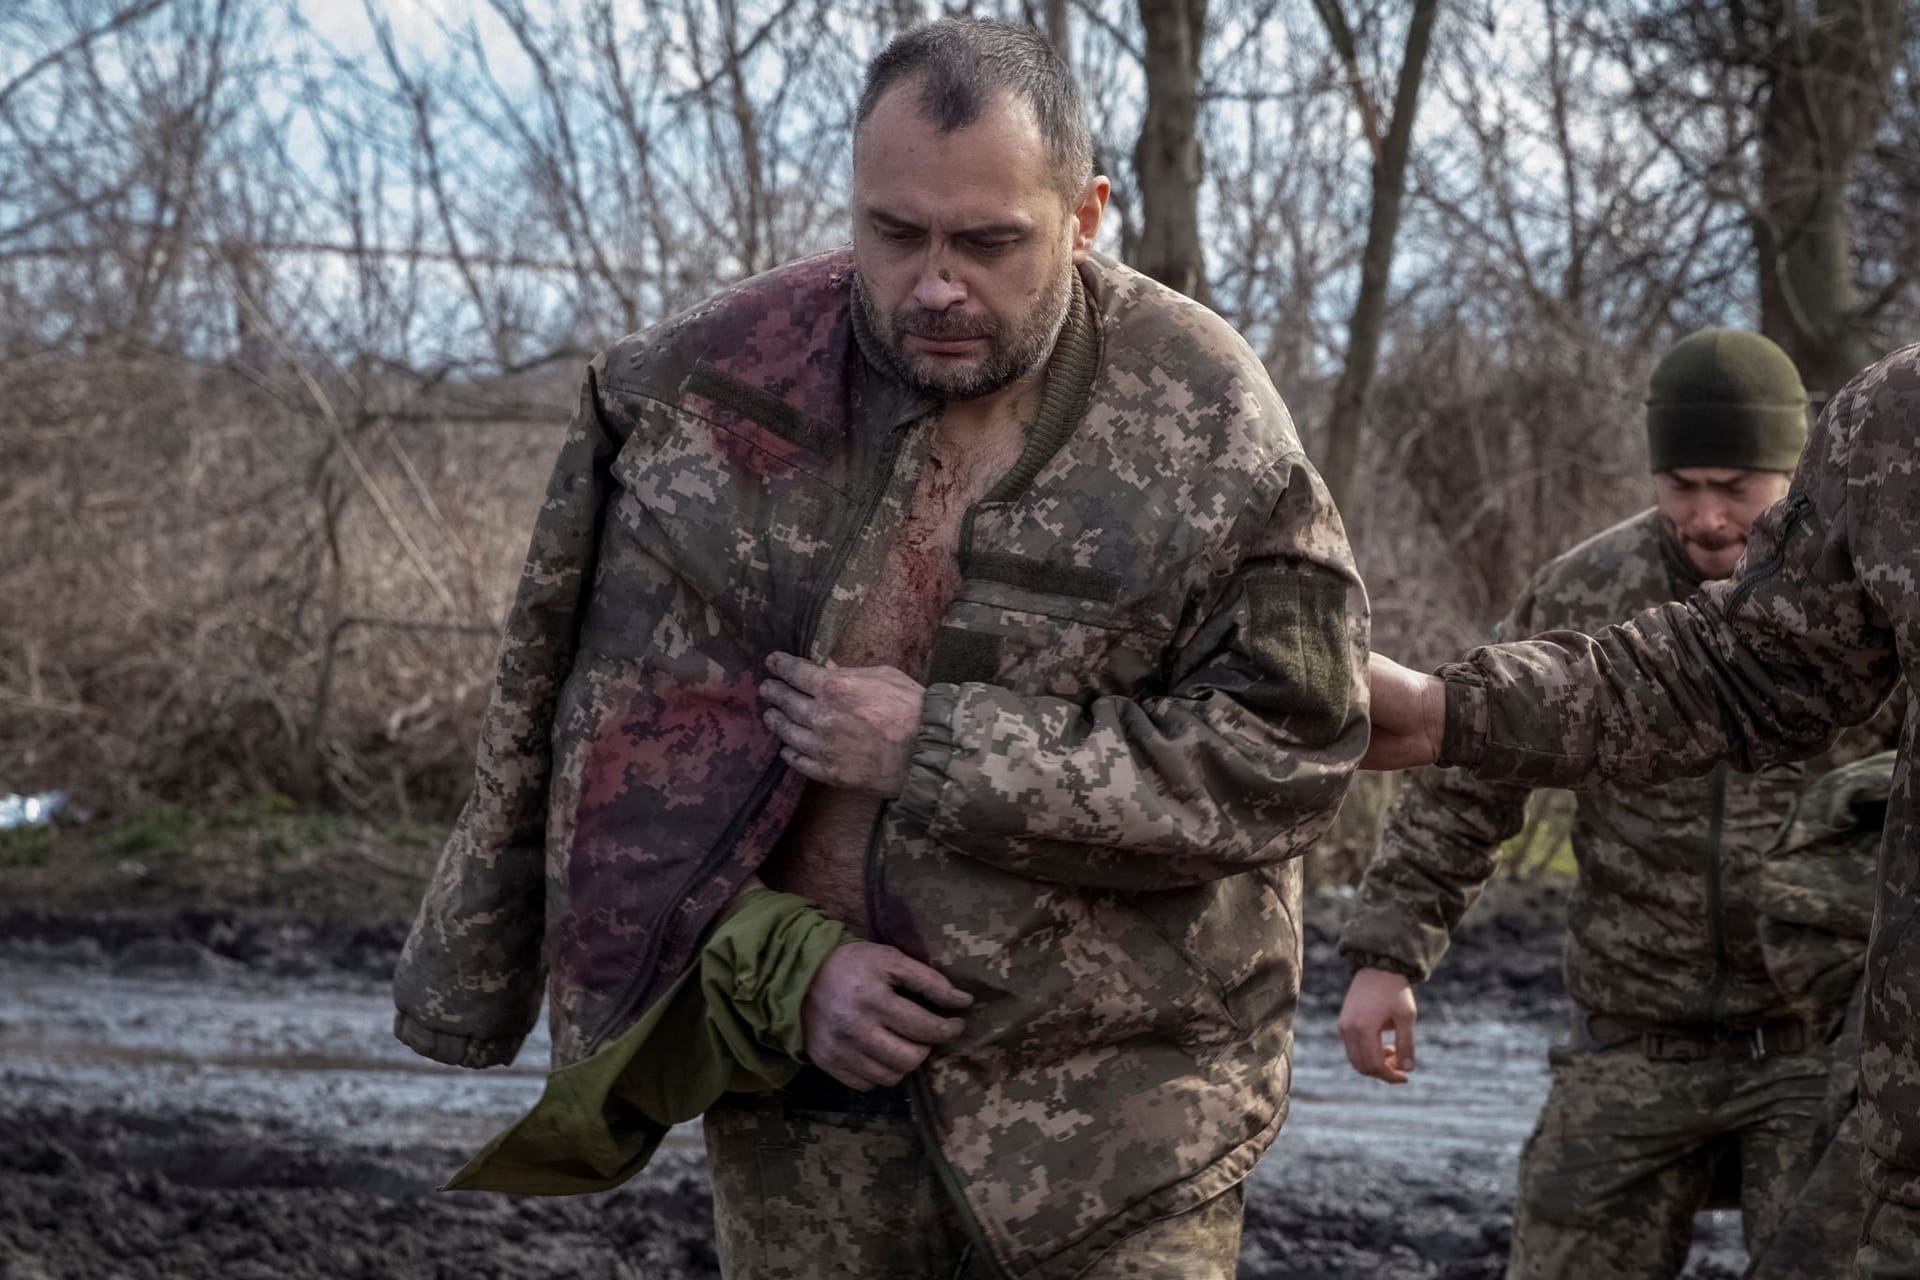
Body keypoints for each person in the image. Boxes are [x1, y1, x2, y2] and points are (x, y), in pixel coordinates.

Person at [393, 18, 1370, 1280]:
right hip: (809, 1115)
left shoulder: (1207, 417)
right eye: (894, 234)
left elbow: (1291, 751)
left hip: (1122, 1129)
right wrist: (784, 969)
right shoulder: (715, 397)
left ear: (1085, 213)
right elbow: (614, 770)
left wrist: (940, 742)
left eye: (989, 241)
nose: (936, 284)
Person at [1334, 329, 1894, 1279]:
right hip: (1633, 1040)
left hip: (1819, 1046)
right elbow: (1474, 776)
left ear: (1796, 477)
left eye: (1737, 488)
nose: (1709, 518)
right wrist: (1388, 952)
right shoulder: (1590, 587)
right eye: (1683, 487)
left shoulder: (1860, 592)